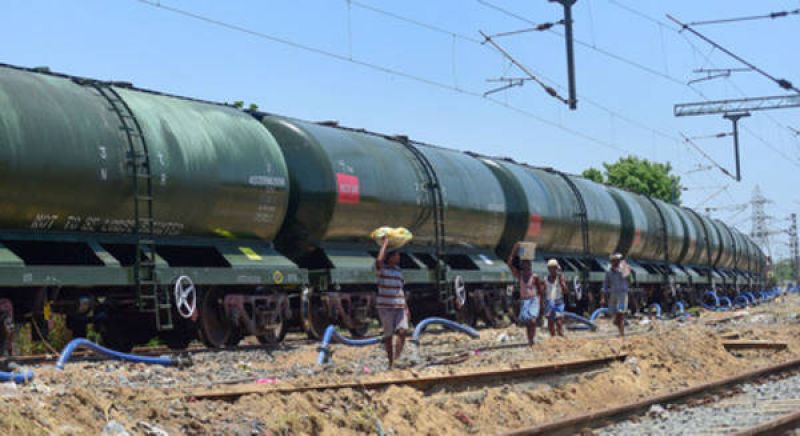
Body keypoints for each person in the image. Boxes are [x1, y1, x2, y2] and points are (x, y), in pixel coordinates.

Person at [375, 236, 410, 368]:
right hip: (386, 307)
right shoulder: (382, 270)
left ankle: (397, 359)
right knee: (388, 336)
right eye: (396, 255)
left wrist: (406, 307)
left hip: (400, 306)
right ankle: (391, 362)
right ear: (389, 257)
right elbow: (379, 260)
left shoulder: (398, 271)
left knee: (403, 331)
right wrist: (385, 244)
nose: (398, 257)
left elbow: (401, 289)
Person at [507, 242, 543, 346]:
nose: (526, 266)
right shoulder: (520, 276)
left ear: (530, 266)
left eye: (528, 264)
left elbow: (540, 291)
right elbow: (510, 264)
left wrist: (541, 304)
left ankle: (532, 339)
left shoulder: (535, 277)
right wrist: (514, 250)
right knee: (528, 322)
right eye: (524, 264)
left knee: (532, 321)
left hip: (533, 300)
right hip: (524, 301)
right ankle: (530, 340)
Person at [602, 253, 630, 337]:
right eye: (612, 261)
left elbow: (629, 278)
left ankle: (622, 334)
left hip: (622, 295)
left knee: (620, 313)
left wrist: (624, 267)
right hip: (613, 294)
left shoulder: (623, 269)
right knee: (614, 313)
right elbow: (605, 284)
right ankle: (619, 328)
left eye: (616, 261)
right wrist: (603, 297)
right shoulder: (608, 271)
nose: (614, 262)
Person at [543, 259, 568, 337]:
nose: (553, 270)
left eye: (554, 268)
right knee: (550, 322)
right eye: (551, 268)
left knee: (559, 321)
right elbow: (543, 291)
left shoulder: (560, 278)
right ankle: (553, 337)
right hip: (549, 301)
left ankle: (560, 335)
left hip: (558, 301)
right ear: (548, 269)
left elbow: (565, 291)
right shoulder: (546, 279)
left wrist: (562, 282)